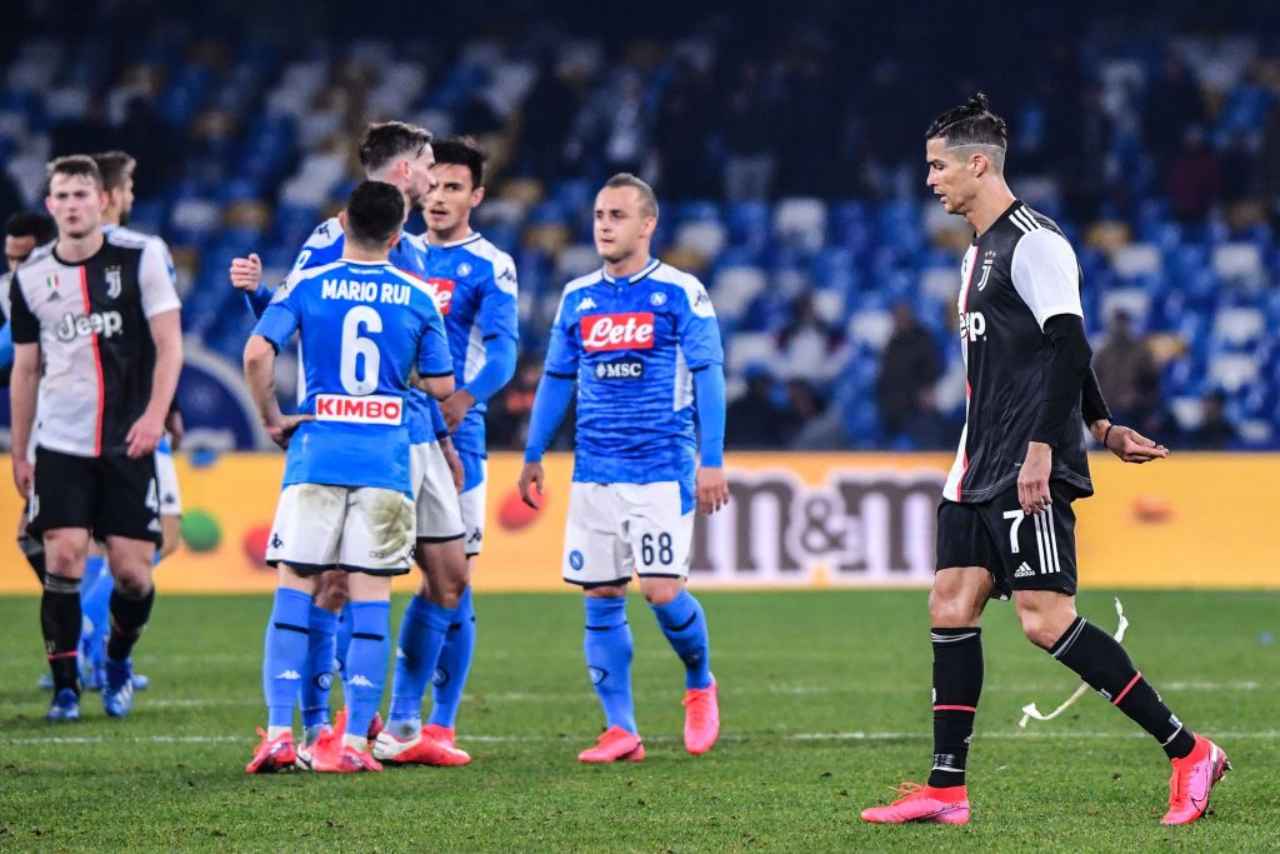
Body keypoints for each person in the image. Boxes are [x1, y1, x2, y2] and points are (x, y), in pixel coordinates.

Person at [861, 94, 1228, 828]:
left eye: (937, 166)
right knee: (950, 603)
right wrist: (1105, 421)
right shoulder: (976, 250)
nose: (929, 180)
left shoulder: (1036, 242)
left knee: (1044, 618)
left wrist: (1056, 441)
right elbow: (1046, 349)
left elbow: (1070, 345)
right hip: (977, 463)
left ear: (977, 164)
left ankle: (1190, 751)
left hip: (1028, 460)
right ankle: (946, 789)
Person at [232, 121, 470, 766]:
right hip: (384, 442)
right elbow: (435, 374)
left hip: (361, 441)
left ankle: (357, 729)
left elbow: (273, 337)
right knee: (354, 587)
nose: (432, 176)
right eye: (426, 164)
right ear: (402, 176)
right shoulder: (390, 271)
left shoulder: (338, 265)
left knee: (442, 580)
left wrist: (273, 415)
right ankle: (334, 730)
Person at [518, 173, 729, 763]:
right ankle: (621, 729)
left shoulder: (679, 292)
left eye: (616, 215)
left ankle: (699, 681)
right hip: (593, 471)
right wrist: (535, 452)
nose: (604, 225)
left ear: (647, 224)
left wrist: (710, 460)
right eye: (598, 215)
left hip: (660, 469)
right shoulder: (577, 296)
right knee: (601, 594)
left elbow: (710, 375)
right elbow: (557, 378)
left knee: (662, 593)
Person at [9, 155, 182, 721]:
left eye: (83, 194)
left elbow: (169, 344)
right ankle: (64, 688)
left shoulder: (141, 255)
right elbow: (27, 369)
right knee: (63, 556)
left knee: (133, 574)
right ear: (50, 204)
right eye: (62, 196)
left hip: (127, 440)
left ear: (100, 201)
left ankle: (117, 660)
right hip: (60, 441)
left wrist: (156, 415)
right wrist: (21, 447)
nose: (73, 205)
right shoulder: (31, 275)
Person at [374, 137, 518, 759]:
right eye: (433, 185)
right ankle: (352, 720)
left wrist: (464, 399)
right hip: (386, 430)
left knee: (452, 581)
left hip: (459, 438)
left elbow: (507, 352)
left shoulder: (491, 264)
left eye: (453, 188)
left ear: (476, 197)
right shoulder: (394, 249)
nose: (438, 197)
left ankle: (432, 721)